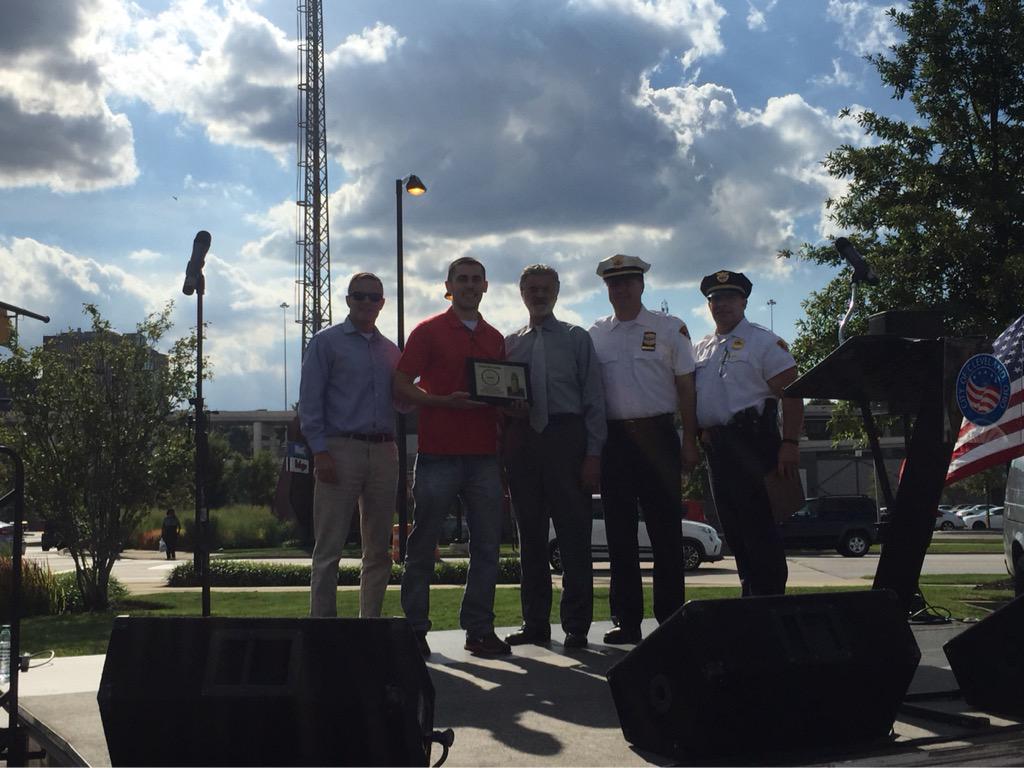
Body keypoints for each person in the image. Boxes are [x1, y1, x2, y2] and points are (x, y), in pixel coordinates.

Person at [393, 257, 510, 658]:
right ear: (449, 285)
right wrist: (441, 402)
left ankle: (479, 630)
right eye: (462, 279)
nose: (469, 285)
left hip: (484, 456)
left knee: (487, 548)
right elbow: (401, 384)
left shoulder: (496, 338)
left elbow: (503, 392)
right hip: (438, 453)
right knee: (423, 543)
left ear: (486, 286)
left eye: (476, 279)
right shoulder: (428, 331)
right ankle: (414, 630)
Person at [589, 254, 698, 644]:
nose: (620, 289)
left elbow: (686, 387)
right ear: (607, 289)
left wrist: (690, 438)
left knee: (665, 532)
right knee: (619, 534)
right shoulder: (596, 333)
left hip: (658, 436)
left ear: (642, 285)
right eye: (613, 284)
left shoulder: (670, 328)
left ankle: (670, 617)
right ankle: (627, 619)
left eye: (628, 282)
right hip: (615, 440)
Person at [503, 264, 606, 649]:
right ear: (522, 292)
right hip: (525, 442)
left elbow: (594, 399)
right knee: (529, 537)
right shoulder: (510, 343)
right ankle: (535, 624)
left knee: (574, 537)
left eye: (546, 288)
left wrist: (593, 454)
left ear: (558, 292)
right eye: (532, 288)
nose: (539, 294)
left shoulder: (577, 338)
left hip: (568, 439)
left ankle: (576, 626)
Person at [693, 270, 803, 596]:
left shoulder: (763, 342)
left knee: (760, 531)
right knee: (734, 531)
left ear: (743, 301)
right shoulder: (702, 348)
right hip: (718, 449)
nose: (722, 304)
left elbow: (793, 393)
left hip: (755, 445)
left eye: (729, 297)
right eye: (715, 299)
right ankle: (750, 600)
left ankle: (769, 604)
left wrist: (791, 442)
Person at [300, 272, 402, 618]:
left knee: (378, 550)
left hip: (385, 451)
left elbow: (403, 401)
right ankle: (323, 627)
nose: (367, 303)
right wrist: (320, 450)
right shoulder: (325, 342)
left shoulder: (392, 350)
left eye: (374, 297)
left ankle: (369, 623)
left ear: (383, 303)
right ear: (347, 300)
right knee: (328, 549)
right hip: (340, 448)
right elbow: (309, 402)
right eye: (359, 296)